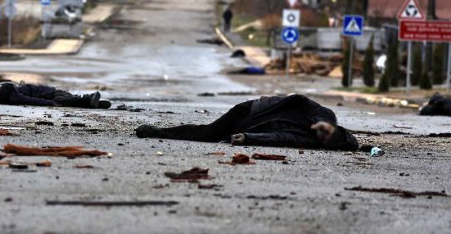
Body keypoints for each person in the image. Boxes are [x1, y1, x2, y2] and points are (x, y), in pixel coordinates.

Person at [135, 94, 358, 151]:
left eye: (325, 139)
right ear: (332, 127)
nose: (323, 135)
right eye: (328, 132)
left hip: (247, 127)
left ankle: (157, 132)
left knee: (207, 134)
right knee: (207, 134)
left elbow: (280, 139)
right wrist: (323, 122)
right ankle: (157, 131)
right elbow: (303, 100)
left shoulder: (311, 141)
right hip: (249, 109)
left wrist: (249, 138)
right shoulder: (322, 114)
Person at [0, 82, 111, 109]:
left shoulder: (11, 95)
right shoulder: (10, 91)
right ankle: (91, 103)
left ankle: (89, 97)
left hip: (52, 94)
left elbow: (30, 100)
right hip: (52, 93)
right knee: (69, 102)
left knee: (62, 102)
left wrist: (49, 103)